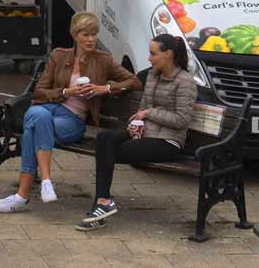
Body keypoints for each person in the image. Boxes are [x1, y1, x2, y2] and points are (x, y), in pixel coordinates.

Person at [0, 12, 137, 211]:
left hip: (73, 120)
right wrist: (66, 91)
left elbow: (134, 81)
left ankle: (23, 196)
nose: (91, 39)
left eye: (94, 34)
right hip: (49, 109)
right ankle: (45, 182)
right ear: (75, 35)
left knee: (32, 128)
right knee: (39, 115)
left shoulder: (103, 59)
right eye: (85, 34)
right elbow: (39, 93)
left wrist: (105, 88)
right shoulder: (59, 55)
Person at [78, 32, 197, 230]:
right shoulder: (152, 75)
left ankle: (102, 205)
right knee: (104, 138)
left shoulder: (185, 82)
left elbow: (181, 119)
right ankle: (103, 202)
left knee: (108, 153)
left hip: (168, 142)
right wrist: (137, 125)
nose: (149, 58)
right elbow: (143, 107)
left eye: (153, 54)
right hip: (147, 133)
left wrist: (149, 114)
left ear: (168, 55)